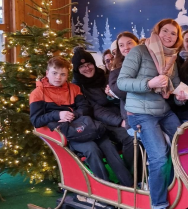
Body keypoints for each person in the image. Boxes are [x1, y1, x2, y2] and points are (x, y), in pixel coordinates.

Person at [117, 19, 188, 209]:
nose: (168, 36)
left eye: (173, 33)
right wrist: (149, 84)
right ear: (157, 32)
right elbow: (122, 82)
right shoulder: (139, 51)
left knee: (185, 145)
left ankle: (176, 192)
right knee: (159, 156)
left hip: (162, 110)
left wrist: (181, 97)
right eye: (165, 31)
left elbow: (173, 88)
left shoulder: (172, 57)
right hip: (140, 112)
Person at [30, 57, 133, 187]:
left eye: (63, 74)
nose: (58, 78)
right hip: (69, 133)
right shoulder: (38, 93)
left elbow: (85, 108)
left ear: (67, 75)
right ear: (47, 73)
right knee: (92, 149)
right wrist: (57, 114)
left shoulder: (73, 88)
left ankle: (129, 184)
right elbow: (36, 120)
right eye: (54, 73)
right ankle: (104, 187)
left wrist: (73, 114)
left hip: (86, 126)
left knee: (107, 145)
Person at [71, 47, 135, 186]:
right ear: (77, 69)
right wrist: (120, 122)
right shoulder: (79, 87)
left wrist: (114, 97)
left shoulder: (104, 76)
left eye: (89, 64)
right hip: (101, 122)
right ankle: (131, 176)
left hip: (121, 114)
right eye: (82, 66)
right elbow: (95, 110)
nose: (87, 68)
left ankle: (136, 174)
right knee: (130, 138)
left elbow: (121, 97)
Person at [108, 31, 140, 131]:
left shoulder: (148, 61)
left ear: (137, 43)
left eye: (129, 43)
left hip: (156, 111)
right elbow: (120, 91)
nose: (126, 47)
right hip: (132, 115)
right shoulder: (116, 70)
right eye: (121, 45)